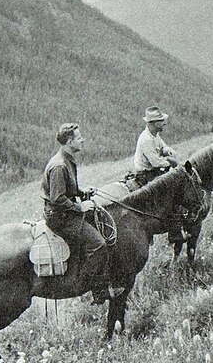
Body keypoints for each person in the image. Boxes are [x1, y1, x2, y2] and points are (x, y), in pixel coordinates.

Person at [41, 123, 123, 304]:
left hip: (64, 213)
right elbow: (57, 199)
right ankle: (99, 291)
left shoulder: (66, 160)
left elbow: (66, 188)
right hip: (60, 217)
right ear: (70, 141)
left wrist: (80, 191)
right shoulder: (59, 165)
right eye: (79, 138)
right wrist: (80, 207)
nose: (82, 140)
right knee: (98, 245)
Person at [133, 107, 186, 243]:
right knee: (173, 194)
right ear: (154, 123)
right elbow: (156, 162)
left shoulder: (154, 135)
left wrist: (168, 151)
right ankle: (174, 233)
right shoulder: (146, 140)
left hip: (154, 172)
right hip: (147, 175)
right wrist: (171, 162)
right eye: (161, 121)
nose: (164, 123)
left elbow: (163, 147)